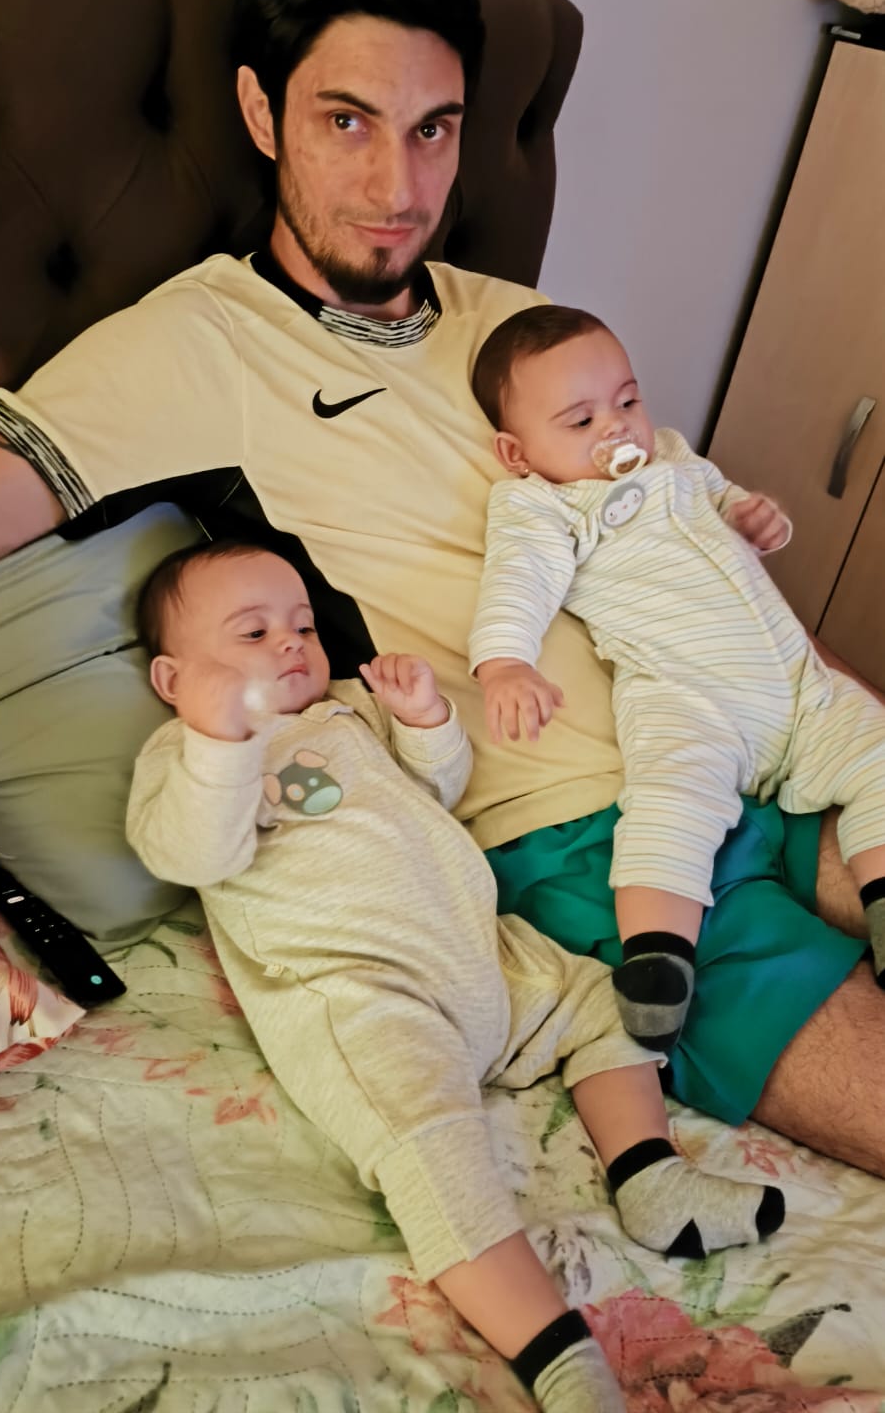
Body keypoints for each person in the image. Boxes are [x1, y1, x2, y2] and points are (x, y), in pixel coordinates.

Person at [0, 0, 880, 1170]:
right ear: (261, 114)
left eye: (433, 129)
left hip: (749, 728)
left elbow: (687, 532)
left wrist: (829, 695)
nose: (397, 187)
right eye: (344, 121)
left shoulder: (516, 321)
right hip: (579, 829)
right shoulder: (194, 343)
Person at [126, 539, 785, 1413]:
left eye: (302, 626)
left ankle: (650, 1175)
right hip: (365, 995)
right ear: (173, 679)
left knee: (601, 1003)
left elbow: (434, 793)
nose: (291, 643)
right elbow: (192, 854)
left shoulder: (344, 711)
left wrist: (423, 722)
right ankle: (560, 1361)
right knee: (431, 1154)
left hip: (479, 959)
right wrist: (219, 739)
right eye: (253, 633)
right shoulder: (182, 757)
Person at [468, 304, 885, 1052]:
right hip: (687, 698)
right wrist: (504, 664)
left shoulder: (671, 455)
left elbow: (723, 500)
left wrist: (753, 518)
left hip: (798, 684)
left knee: (879, 751)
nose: (616, 428)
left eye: (627, 400)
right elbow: (516, 583)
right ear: (516, 451)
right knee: (671, 802)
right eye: (581, 420)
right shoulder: (542, 505)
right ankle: (658, 958)